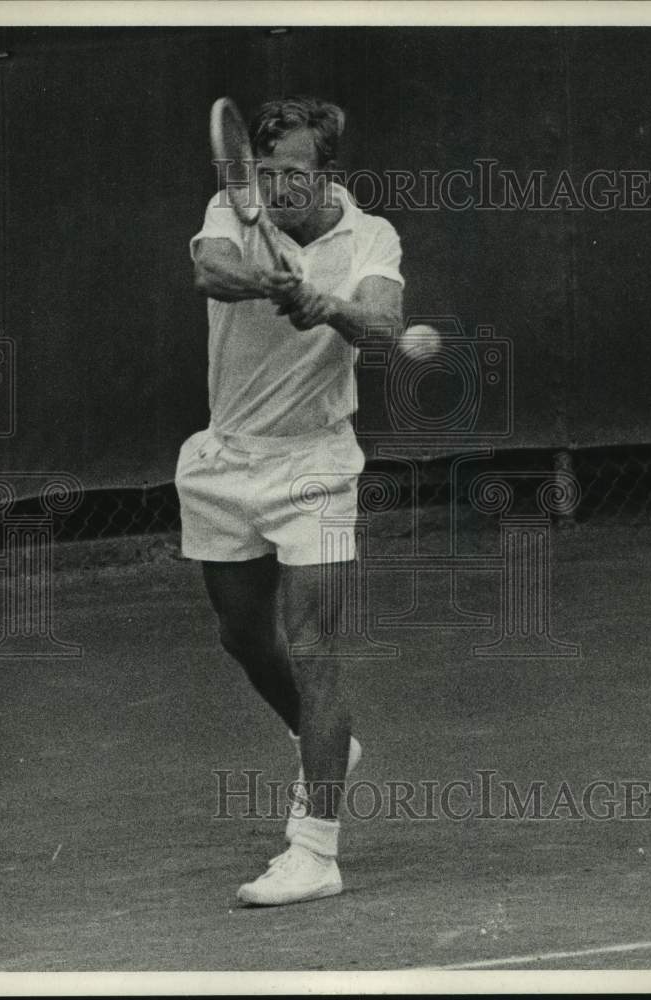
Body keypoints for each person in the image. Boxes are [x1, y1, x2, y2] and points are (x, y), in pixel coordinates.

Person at [176, 96, 404, 906]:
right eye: (261, 172)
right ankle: (329, 753)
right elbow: (210, 268)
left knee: (312, 649)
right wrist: (268, 282)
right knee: (244, 637)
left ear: (328, 173)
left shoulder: (370, 237)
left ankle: (315, 851)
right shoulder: (231, 208)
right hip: (226, 458)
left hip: (315, 461)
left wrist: (326, 303)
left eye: (292, 174)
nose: (274, 188)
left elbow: (383, 326)